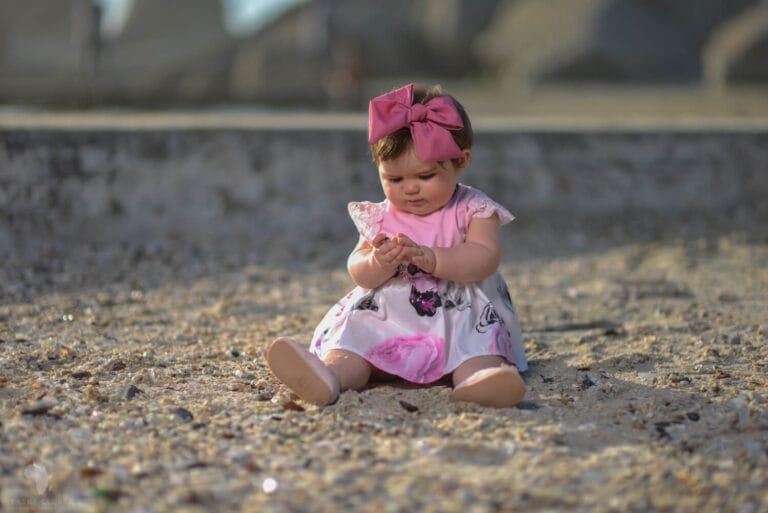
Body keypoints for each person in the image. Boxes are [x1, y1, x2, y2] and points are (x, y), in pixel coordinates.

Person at [267, 83, 527, 408]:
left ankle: (479, 381)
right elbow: (357, 266)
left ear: (461, 160)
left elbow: (485, 257)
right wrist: (377, 263)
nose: (410, 190)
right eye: (395, 179)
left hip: (459, 310)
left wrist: (434, 259)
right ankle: (329, 376)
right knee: (355, 340)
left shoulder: (474, 208)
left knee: (476, 345)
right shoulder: (379, 216)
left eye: (425, 176)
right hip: (388, 313)